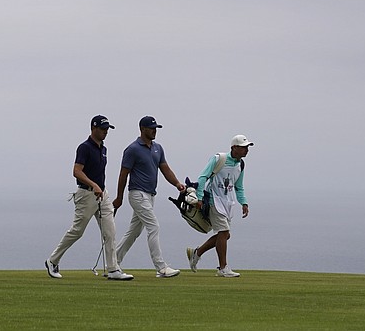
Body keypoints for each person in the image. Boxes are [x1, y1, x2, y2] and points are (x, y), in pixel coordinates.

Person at [45, 115, 133, 281]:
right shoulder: (84, 148)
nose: (105, 132)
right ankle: (52, 260)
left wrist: (99, 188)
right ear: (93, 128)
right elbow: (77, 171)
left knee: (110, 231)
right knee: (77, 231)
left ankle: (113, 269)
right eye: (102, 129)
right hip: (86, 195)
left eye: (107, 129)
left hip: (102, 195)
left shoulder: (103, 149)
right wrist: (93, 185)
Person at [112, 115, 185, 277]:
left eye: (156, 128)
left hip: (150, 195)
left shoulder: (158, 148)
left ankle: (113, 261)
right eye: (151, 128)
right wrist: (119, 198)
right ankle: (161, 267)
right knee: (154, 226)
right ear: (142, 129)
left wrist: (178, 184)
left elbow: (165, 169)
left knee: (134, 232)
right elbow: (123, 174)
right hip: (137, 194)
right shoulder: (132, 149)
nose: (154, 131)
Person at [186, 134, 253, 277]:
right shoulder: (219, 159)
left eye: (247, 147)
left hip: (228, 202)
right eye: (243, 147)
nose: (246, 150)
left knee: (225, 234)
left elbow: (239, 187)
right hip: (214, 201)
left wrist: (244, 202)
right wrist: (199, 197)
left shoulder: (240, 164)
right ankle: (223, 268)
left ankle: (197, 253)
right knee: (223, 232)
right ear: (234, 147)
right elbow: (203, 177)